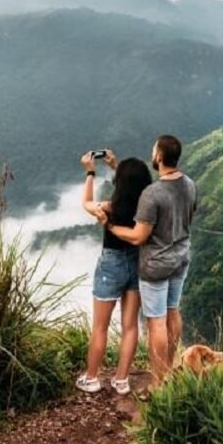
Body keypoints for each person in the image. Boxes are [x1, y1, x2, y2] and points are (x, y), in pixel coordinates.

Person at [101, 135, 197, 385]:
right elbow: (188, 216)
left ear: (160, 157)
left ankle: (158, 382)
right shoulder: (189, 184)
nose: (152, 154)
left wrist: (109, 226)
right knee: (173, 312)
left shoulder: (152, 194)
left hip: (155, 265)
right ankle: (169, 366)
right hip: (181, 257)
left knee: (156, 323)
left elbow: (137, 236)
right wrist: (117, 167)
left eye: (154, 150)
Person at [76, 149, 153, 395]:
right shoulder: (147, 206)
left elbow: (86, 203)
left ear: (119, 183)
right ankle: (122, 380)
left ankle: (91, 378)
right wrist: (115, 166)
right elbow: (132, 185)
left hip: (111, 265)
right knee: (130, 326)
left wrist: (90, 172)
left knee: (100, 326)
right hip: (137, 263)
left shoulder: (109, 208)